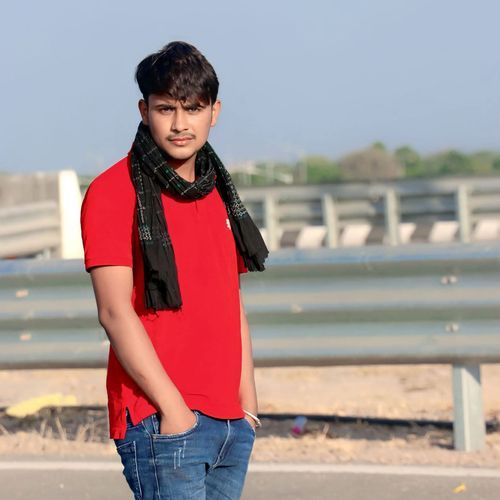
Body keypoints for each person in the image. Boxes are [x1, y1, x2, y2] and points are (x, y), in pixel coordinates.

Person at [80, 40, 269, 499]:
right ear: (144, 111)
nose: (181, 124)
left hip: (229, 420)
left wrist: (246, 401)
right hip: (162, 420)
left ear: (214, 112)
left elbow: (229, 300)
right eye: (166, 109)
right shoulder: (113, 191)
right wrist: (174, 410)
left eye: (193, 108)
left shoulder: (218, 191)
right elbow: (114, 312)